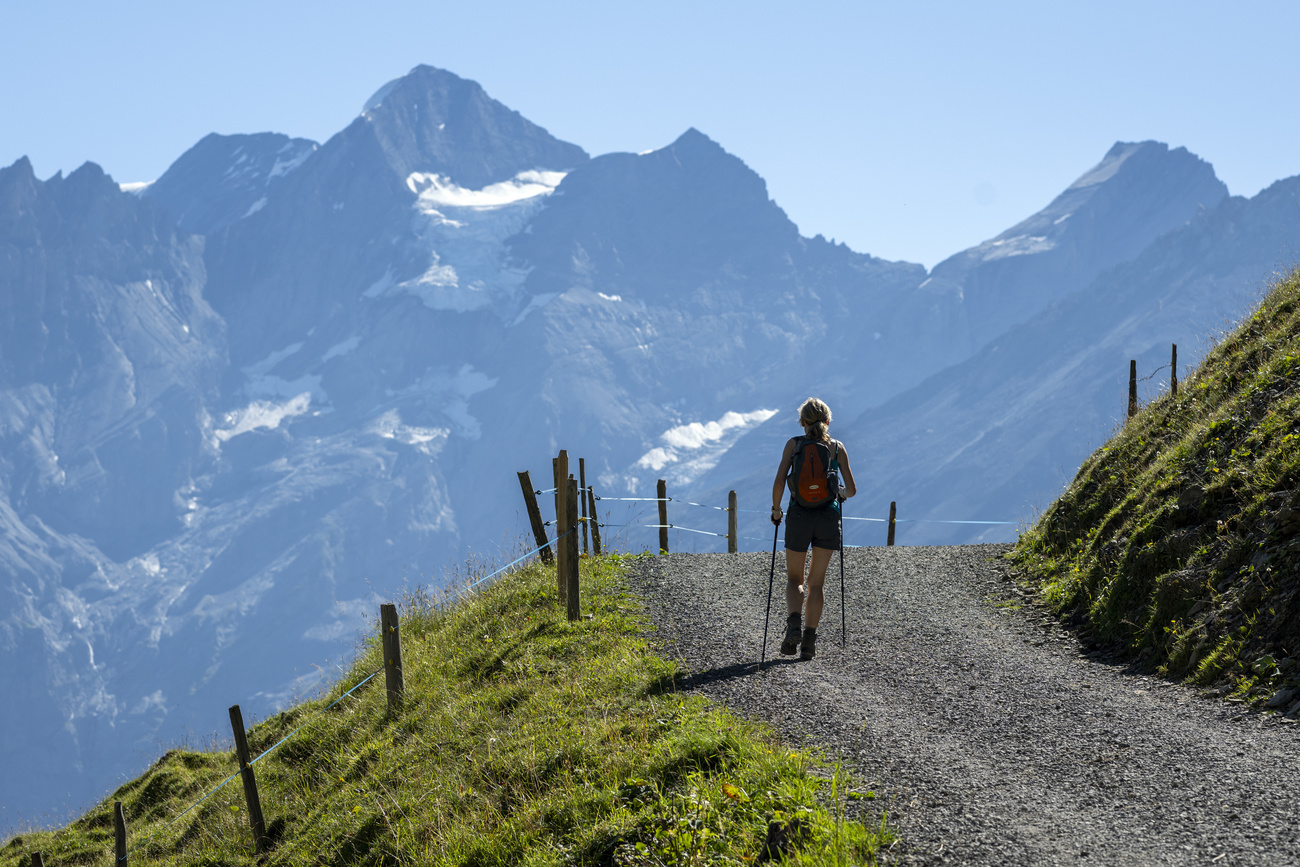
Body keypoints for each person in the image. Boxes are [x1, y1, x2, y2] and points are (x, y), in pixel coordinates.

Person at [770, 397, 857, 660]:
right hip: (828, 518)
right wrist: (838, 493)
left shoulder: (794, 445)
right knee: (816, 583)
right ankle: (809, 642)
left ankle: (793, 624)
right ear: (828, 422)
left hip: (798, 515)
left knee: (795, 579)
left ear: (802, 422)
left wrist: (776, 510)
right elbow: (851, 490)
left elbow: (780, 481)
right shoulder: (837, 448)